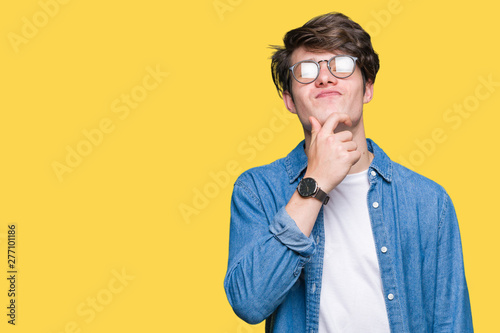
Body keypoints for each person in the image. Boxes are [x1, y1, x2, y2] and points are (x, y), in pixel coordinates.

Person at [223, 12, 473, 332]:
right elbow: (249, 302)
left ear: (367, 88)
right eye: (306, 70)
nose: (324, 78)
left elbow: (452, 322)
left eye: (341, 65)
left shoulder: (428, 201)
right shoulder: (257, 189)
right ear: (289, 99)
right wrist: (314, 184)